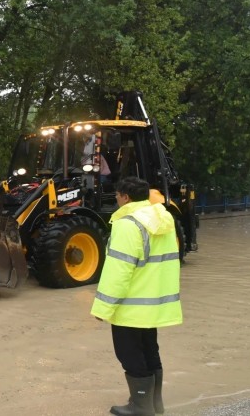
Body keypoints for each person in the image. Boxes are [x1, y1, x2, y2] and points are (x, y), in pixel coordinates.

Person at [90, 177, 182, 416]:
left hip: (130, 308)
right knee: (150, 351)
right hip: (154, 305)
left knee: (130, 355)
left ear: (125, 197)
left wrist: (103, 308)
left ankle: (141, 407)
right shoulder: (164, 220)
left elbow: (118, 272)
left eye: (117, 196)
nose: (116, 199)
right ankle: (154, 404)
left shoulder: (127, 225)